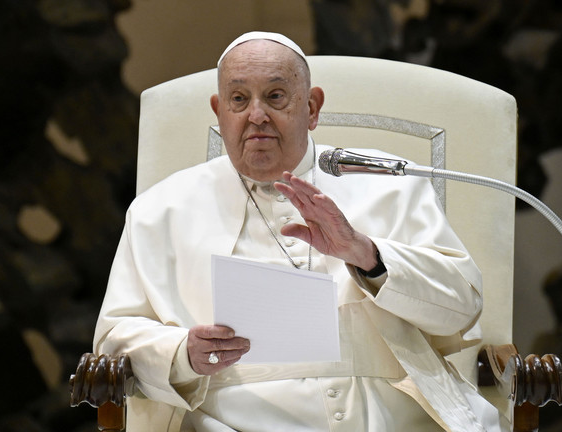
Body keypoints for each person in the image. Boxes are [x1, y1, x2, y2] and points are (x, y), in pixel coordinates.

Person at [94, 31, 506, 431]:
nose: (256, 115)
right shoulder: (159, 210)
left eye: (275, 96)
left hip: (395, 418)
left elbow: (463, 306)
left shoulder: (391, 183)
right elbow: (113, 341)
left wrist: (368, 256)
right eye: (239, 99)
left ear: (311, 107)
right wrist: (182, 354)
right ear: (219, 111)